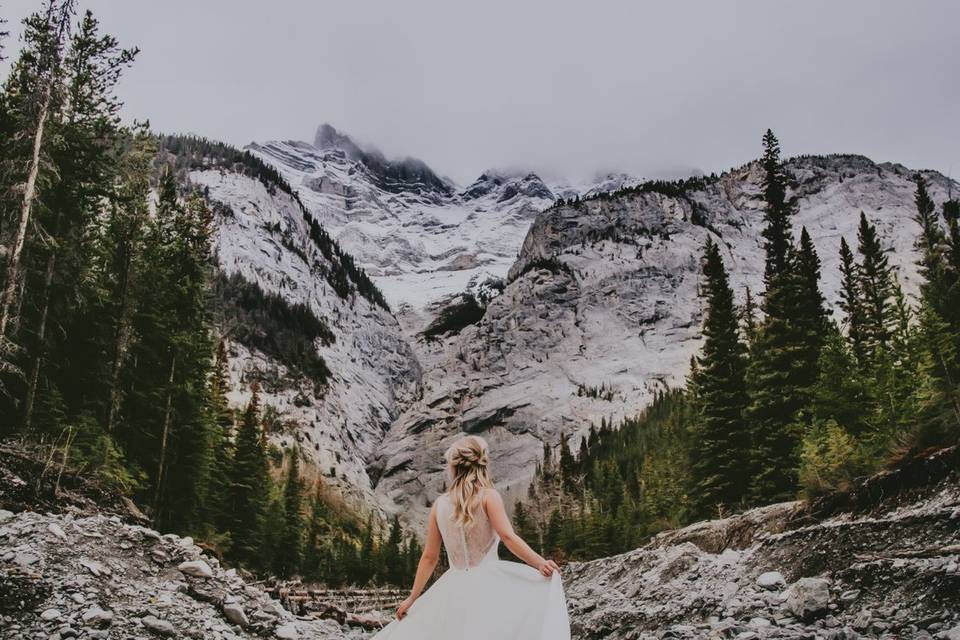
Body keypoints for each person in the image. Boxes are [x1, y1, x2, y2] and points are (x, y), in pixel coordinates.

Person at [371, 435, 570, 639]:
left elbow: (429, 557)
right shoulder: (488, 496)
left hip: (453, 586)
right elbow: (508, 537)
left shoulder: (439, 505)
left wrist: (412, 598)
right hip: (490, 583)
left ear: (453, 467)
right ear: (482, 464)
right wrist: (539, 563)